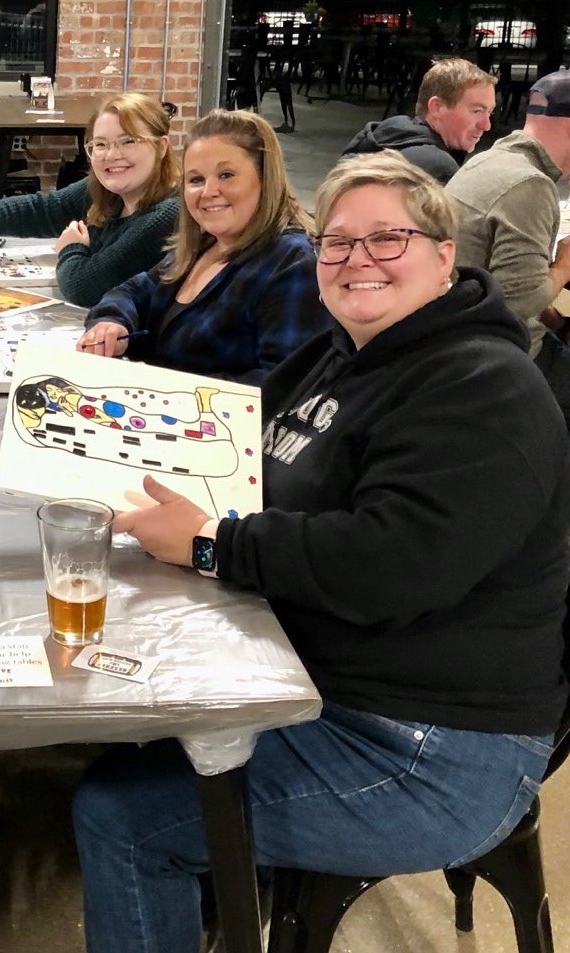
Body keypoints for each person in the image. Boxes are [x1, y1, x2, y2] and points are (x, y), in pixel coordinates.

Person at [72, 152, 570, 953]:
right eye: (336, 244)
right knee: (134, 725)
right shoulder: (341, 352)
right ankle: (220, 911)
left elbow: (390, 564)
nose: (356, 261)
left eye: (387, 239)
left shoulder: (482, 386)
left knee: (122, 815)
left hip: (430, 747)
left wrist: (209, 542)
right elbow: (223, 444)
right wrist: (84, 436)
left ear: (446, 254)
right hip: (322, 678)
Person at [77, 108, 330, 384]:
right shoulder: (203, 245)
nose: (208, 192)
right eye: (196, 180)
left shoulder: (293, 262)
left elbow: (284, 384)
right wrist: (111, 322)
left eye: (226, 175)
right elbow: (133, 291)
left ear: (265, 179)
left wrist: (161, 385)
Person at [0, 92, 181, 307]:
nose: (111, 155)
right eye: (100, 145)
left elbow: (84, 287)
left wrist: (71, 247)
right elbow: (43, 209)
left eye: (128, 141)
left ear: (161, 146)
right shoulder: (107, 192)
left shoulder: (169, 214)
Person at [447, 69, 570, 362]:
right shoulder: (530, 185)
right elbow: (519, 302)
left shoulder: (489, 160)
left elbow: (512, 282)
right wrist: (565, 266)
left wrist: (560, 325)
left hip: (458, 337)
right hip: (499, 361)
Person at [341, 56, 496, 184]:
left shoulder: (383, 137)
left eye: (489, 112)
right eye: (477, 111)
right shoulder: (438, 169)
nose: (486, 125)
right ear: (437, 107)